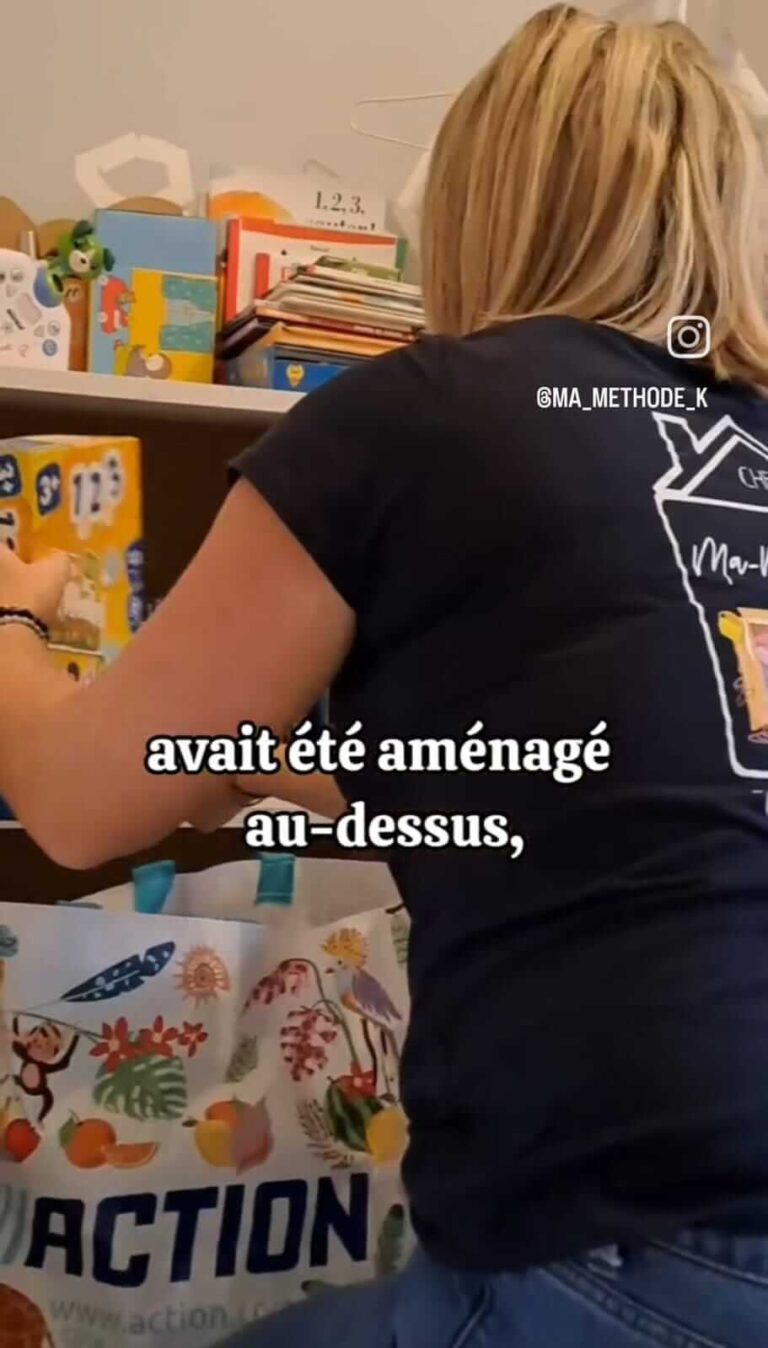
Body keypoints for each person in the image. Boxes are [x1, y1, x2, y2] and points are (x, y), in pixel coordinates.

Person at [2, 5, 768, 1344]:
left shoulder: (428, 413)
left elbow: (72, 803)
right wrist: (278, 768)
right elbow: (622, 772)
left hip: (647, 1231)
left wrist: (12, 619)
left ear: (482, 202)